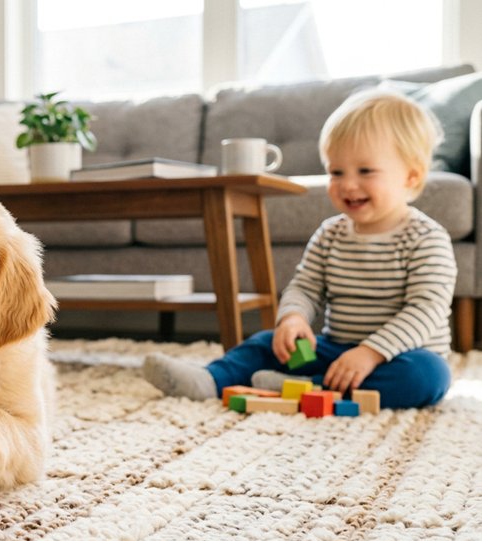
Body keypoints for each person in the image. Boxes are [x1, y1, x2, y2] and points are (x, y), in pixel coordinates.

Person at [143, 89, 455, 410]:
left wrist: (371, 352)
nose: (347, 185)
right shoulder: (330, 233)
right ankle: (210, 379)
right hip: (334, 350)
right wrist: (292, 319)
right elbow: (305, 287)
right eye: (336, 172)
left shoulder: (426, 237)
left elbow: (425, 309)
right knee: (265, 343)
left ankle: (309, 389)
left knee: (428, 376)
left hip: (399, 354)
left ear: (411, 176)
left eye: (365, 171)